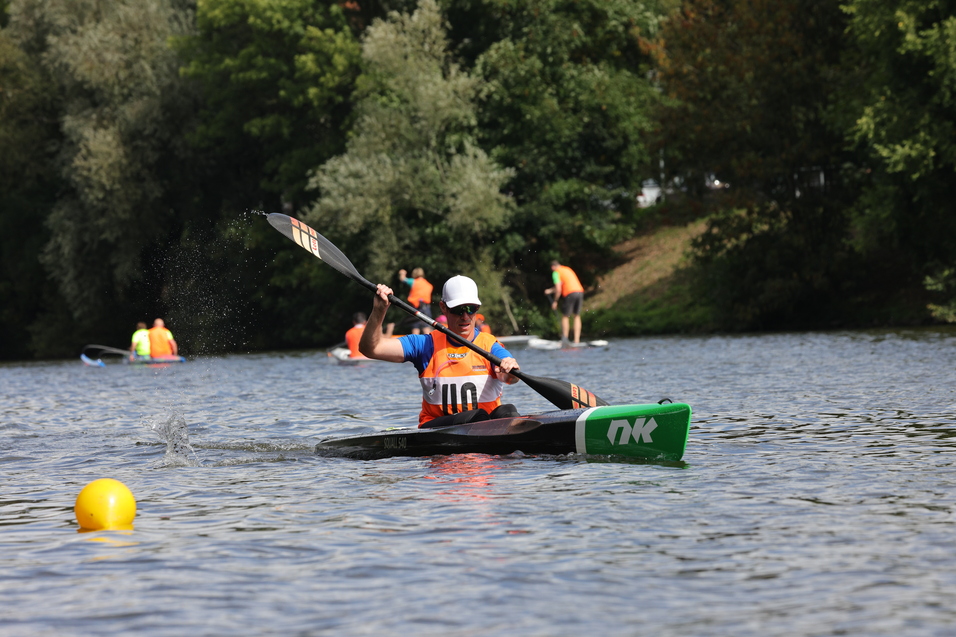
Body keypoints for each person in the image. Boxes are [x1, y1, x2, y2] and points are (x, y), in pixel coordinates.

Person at [360, 275, 521, 427]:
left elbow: (509, 378)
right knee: (477, 416)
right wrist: (379, 310)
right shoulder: (424, 345)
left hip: (486, 426)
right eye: (459, 309)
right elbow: (371, 349)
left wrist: (510, 372)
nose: (465, 316)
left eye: (471, 309)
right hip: (437, 428)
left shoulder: (490, 345)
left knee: (507, 412)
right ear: (443, 308)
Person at [545, 260, 585, 344]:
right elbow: (562, 284)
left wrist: (555, 301)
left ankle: (565, 339)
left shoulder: (556, 272)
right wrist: (550, 291)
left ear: (553, 267)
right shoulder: (567, 269)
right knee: (577, 315)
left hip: (570, 293)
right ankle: (576, 340)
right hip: (580, 292)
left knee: (565, 316)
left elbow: (558, 288)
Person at [398, 267, 434, 334]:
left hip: (416, 306)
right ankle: (430, 343)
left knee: (415, 326)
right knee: (426, 327)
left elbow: (403, 279)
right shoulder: (428, 285)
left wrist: (402, 273)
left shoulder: (414, 281)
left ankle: (414, 343)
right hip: (426, 307)